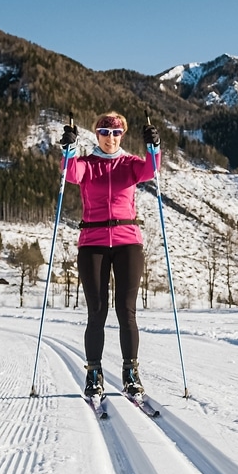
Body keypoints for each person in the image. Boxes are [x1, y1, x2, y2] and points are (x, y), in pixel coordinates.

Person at [59, 111, 161, 398]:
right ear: (97, 135)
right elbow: (70, 173)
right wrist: (68, 149)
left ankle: (131, 373)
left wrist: (154, 146)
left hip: (128, 241)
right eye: (105, 132)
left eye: (116, 133)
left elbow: (151, 170)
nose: (110, 138)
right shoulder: (87, 165)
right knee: (97, 311)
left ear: (122, 136)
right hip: (92, 241)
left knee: (126, 310)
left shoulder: (130, 164)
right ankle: (94, 373)